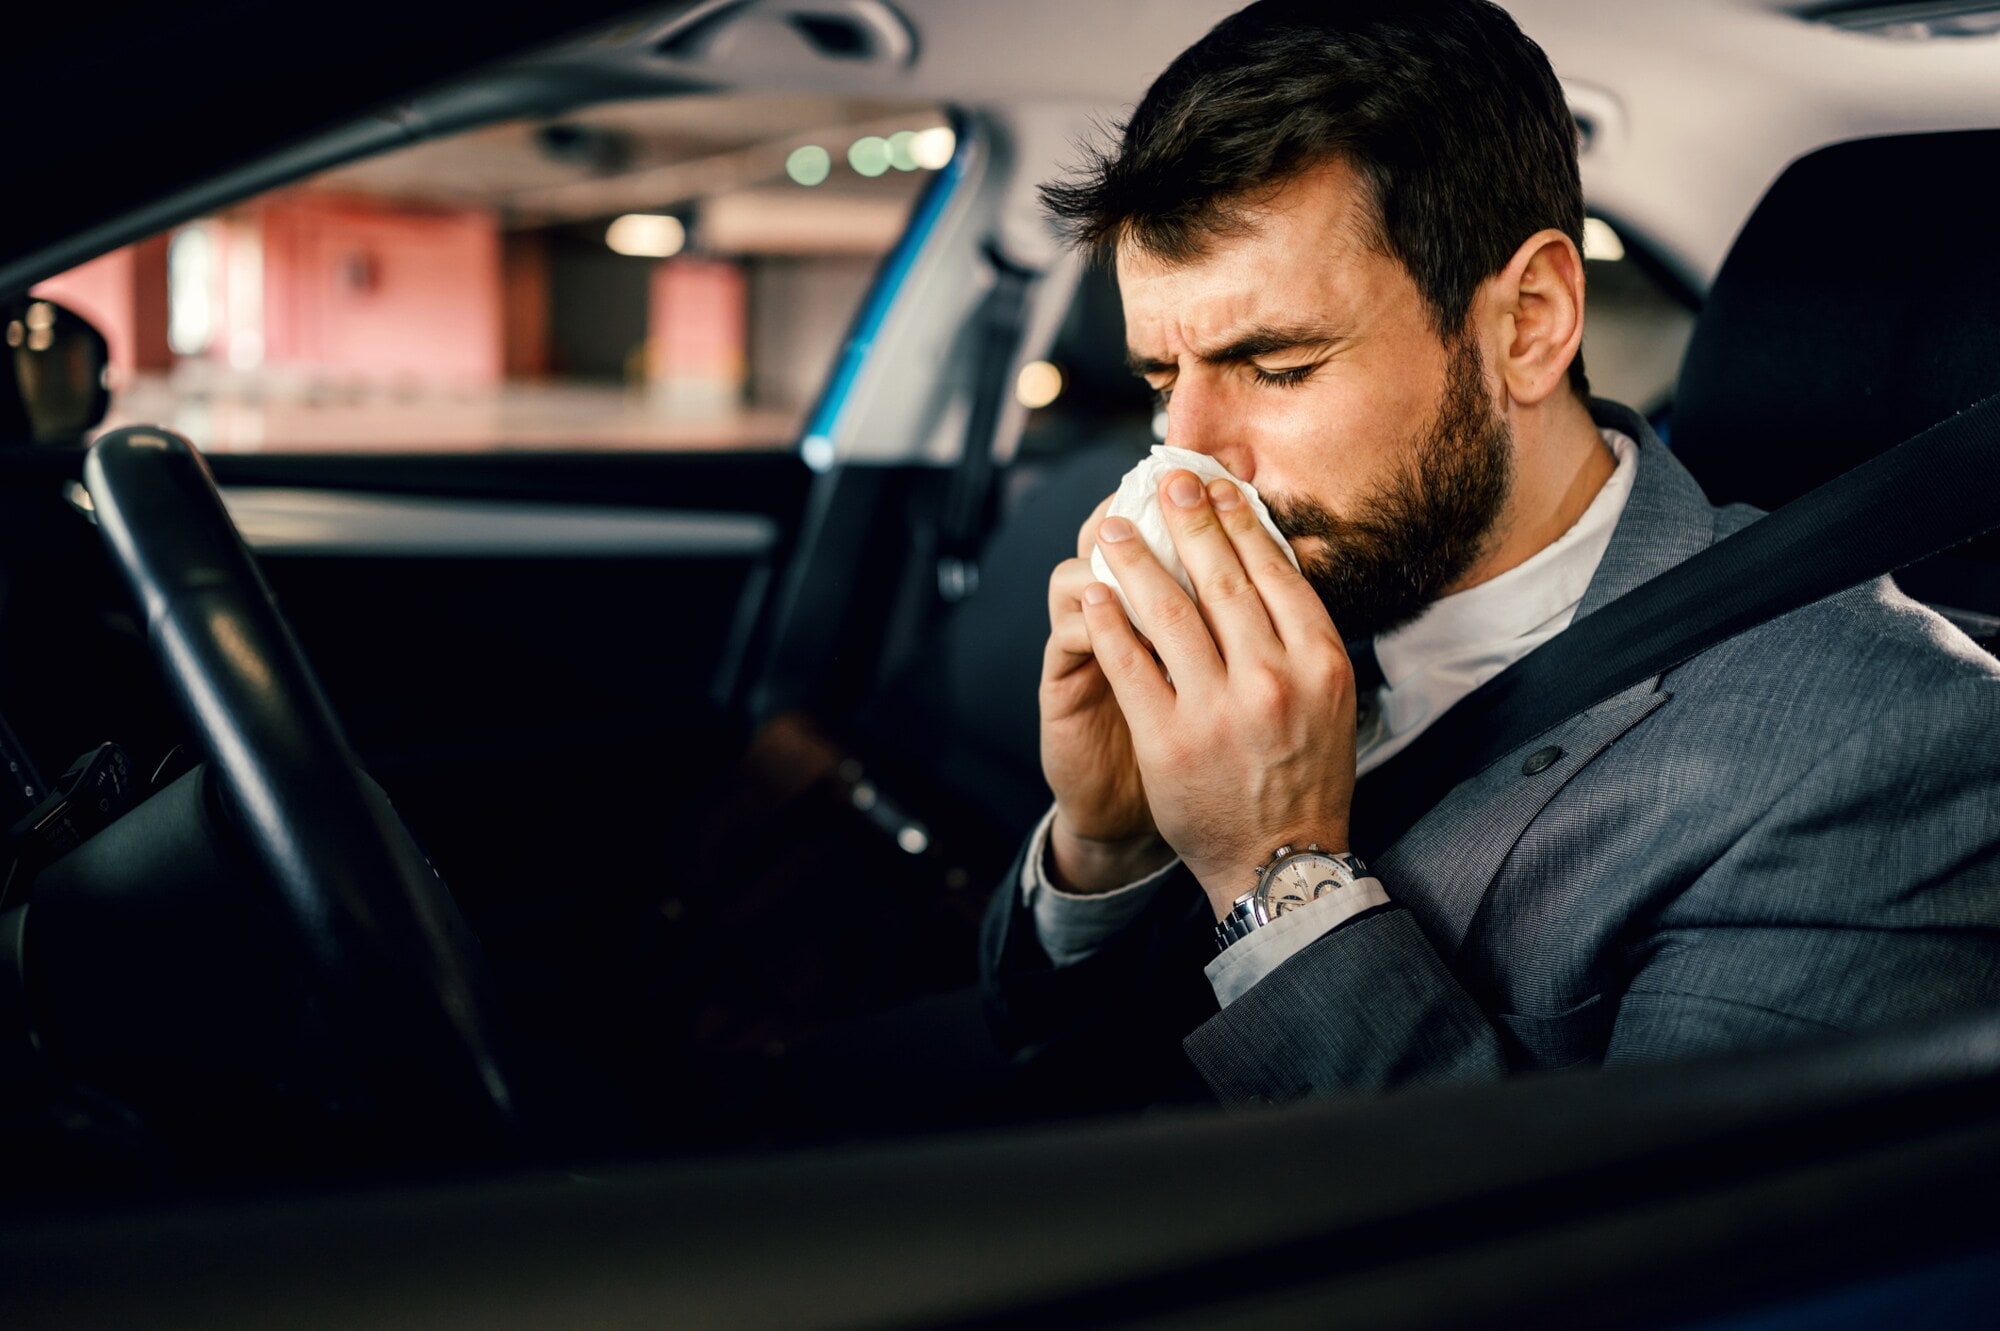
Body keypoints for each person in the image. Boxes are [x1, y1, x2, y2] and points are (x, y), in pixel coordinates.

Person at [979, 0, 2000, 1110]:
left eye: (1277, 366)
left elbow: (1640, 1263)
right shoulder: (1326, 579)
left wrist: (1274, 874)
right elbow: (1060, 1066)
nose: (1188, 462)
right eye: (1161, 384)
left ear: (1528, 322)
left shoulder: (1882, 749)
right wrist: (1105, 843)